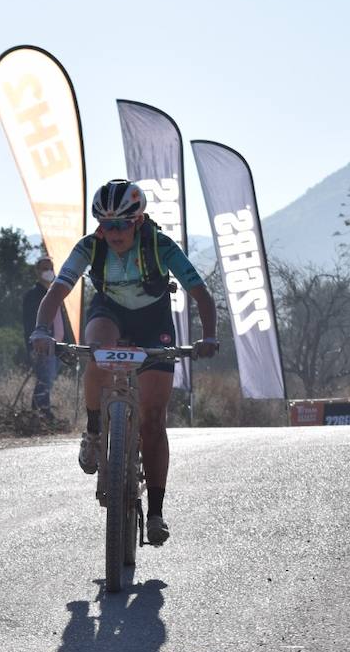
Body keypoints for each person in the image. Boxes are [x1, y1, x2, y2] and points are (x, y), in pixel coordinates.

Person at [30, 179, 219, 545]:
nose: (114, 233)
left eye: (121, 224)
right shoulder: (91, 247)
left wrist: (209, 336)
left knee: (153, 418)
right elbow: (57, 291)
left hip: (153, 321)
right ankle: (94, 432)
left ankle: (156, 513)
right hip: (110, 312)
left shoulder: (160, 245)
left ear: (138, 221)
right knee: (97, 351)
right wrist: (41, 329)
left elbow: (201, 294)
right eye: (106, 224)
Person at [21, 255, 71, 416]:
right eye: (44, 268)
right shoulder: (33, 295)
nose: (48, 272)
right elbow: (29, 323)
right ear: (37, 271)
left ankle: (40, 413)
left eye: (51, 268)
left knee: (48, 379)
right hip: (42, 346)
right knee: (45, 379)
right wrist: (32, 346)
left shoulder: (56, 293)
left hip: (58, 346)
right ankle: (42, 413)